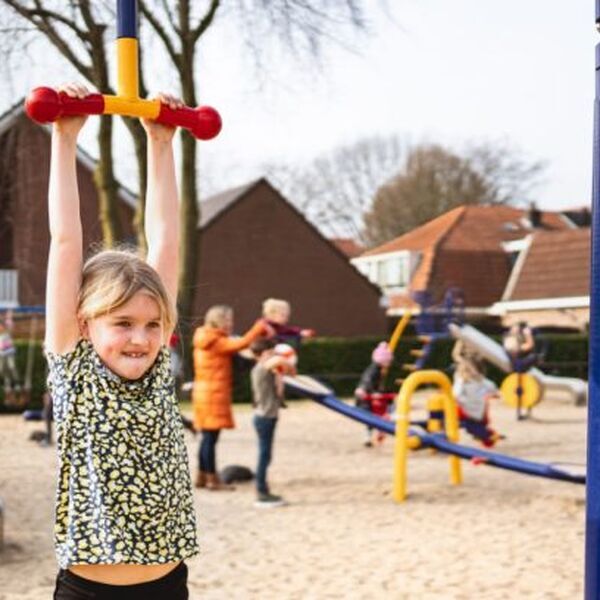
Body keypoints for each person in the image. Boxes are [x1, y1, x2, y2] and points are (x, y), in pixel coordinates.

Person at [44, 83, 196, 599]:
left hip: (168, 584)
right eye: (123, 323)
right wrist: (65, 140)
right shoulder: (75, 367)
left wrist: (161, 143)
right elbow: (65, 240)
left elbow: (166, 238)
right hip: (90, 590)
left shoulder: (155, 371)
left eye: (153, 325)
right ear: (86, 324)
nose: (141, 338)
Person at [192, 305, 272, 490]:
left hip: (205, 393)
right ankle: (213, 480)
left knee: (207, 438)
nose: (230, 323)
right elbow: (241, 344)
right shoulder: (214, 340)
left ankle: (202, 477)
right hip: (214, 393)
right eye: (227, 320)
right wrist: (259, 327)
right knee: (210, 439)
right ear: (218, 321)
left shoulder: (205, 337)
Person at [249, 337, 295, 507]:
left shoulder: (268, 370)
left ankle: (263, 489)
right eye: (268, 353)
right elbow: (278, 360)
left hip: (268, 417)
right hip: (264, 418)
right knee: (264, 455)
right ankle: (261, 492)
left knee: (266, 455)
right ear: (258, 356)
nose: (272, 356)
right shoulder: (260, 368)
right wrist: (288, 364)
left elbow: (278, 390)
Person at [452, 340, 502, 447]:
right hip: (480, 411)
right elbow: (492, 387)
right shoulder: (482, 380)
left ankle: (487, 435)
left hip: (468, 411)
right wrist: (494, 394)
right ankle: (486, 435)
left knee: (454, 414)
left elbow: (456, 394)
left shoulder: (462, 380)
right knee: (480, 419)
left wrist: (456, 400)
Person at [354, 341, 394, 447]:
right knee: (372, 415)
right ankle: (372, 434)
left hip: (368, 396)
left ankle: (375, 433)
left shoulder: (378, 369)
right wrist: (369, 392)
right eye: (388, 360)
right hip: (366, 397)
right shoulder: (374, 369)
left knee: (378, 413)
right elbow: (368, 380)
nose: (389, 363)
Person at [0, 310, 22, 406]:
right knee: (2, 369)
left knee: (12, 367)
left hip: (9, 351)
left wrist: (9, 316)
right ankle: (8, 384)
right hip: (1, 352)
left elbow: (9, 323)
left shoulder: (7, 328)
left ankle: (17, 383)